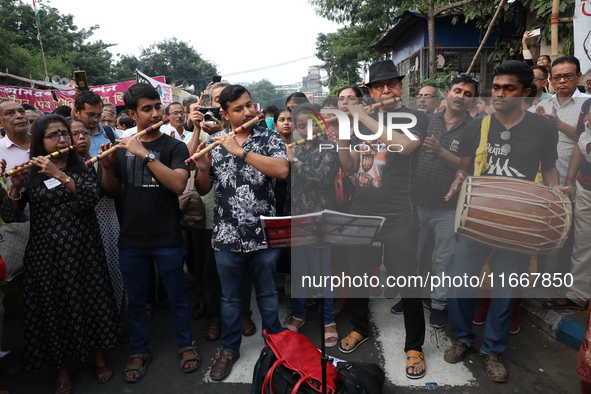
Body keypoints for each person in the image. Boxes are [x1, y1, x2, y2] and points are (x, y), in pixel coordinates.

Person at [443, 60, 563, 383]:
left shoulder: (543, 128)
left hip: (519, 224)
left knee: (505, 291)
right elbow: (465, 168)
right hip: (478, 219)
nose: (499, 93)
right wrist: (458, 179)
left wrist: (556, 191)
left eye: (508, 88)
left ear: (526, 92)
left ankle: (493, 350)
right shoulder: (476, 127)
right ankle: (463, 338)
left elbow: (549, 168)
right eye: (495, 87)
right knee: (458, 283)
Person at [0, 114, 119, 393]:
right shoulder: (32, 171)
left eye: (63, 133)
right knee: (54, 309)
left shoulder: (82, 166)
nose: (62, 139)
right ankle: (61, 368)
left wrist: (60, 175)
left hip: (83, 249)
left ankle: (99, 356)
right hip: (45, 254)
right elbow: (10, 214)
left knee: (91, 301)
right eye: (53, 135)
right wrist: (15, 187)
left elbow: (90, 198)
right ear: (40, 141)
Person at [335, 59, 428, 379]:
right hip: (362, 211)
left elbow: (403, 146)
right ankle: (360, 327)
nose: (385, 89)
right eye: (377, 85)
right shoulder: (361, 121)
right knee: (359, 274)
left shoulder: (415, 117)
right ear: (370, 90)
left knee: (407, 280)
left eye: (391, 83)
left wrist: (362, 116)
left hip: (401, 214)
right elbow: (349, 169)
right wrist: (345, 135)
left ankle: (414, 345)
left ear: (401, 87)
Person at [99, 83, 199, 383]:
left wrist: (144, 154)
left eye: (157, 106)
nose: (155, 113)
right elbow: (113, 191)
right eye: (147, 109)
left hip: (167, 235)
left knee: (178, 295)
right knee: (137, 299)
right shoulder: (120, 147)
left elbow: (179, 184)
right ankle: (139, 350)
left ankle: (185, 344)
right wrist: (106, 168)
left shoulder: (173, 146)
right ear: (132, 113)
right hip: (131, 238)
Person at [194, 84, 289, 381]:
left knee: (268, 295)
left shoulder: (269, 136)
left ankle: (275, 348)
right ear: (225, 113)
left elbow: (282, 170)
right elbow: (203, 189)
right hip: (226, 235)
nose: (249, 111)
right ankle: (229, 348)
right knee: (231, 299)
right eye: (239, 108)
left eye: (249, 104)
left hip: (264, 234)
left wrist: (241, 151)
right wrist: (203, 169)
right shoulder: (214, 141)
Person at [414, 74, 478, 329]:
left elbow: (469, 168)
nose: (461, 96)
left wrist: (441, 151)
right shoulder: (427, 121)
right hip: (416, 202)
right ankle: (409, 299)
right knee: (413, 255)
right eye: (457, 90)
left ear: (473, 99)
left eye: (467, 93)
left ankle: (439, 304)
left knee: (443, 260)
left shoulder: (474, 128)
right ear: (448, 94)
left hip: (449, 208)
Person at [282, 104, 340, 347]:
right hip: (297, 219)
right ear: (296, 128)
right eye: (301, 125)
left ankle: (329, 320)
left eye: (311, 124)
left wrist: (294, 162)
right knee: (299, 271)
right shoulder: (294, 149)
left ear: (320, 124)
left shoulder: (327, 147)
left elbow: (322, 178)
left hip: (321, 219)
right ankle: (298, 314)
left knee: (324, 272)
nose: (307, 129)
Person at [71, 91, 118, 157]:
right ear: (76, 112)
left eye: (99, 115)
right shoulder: (68, 136)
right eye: (91, 115)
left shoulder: (109, 132)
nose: (96, 119)